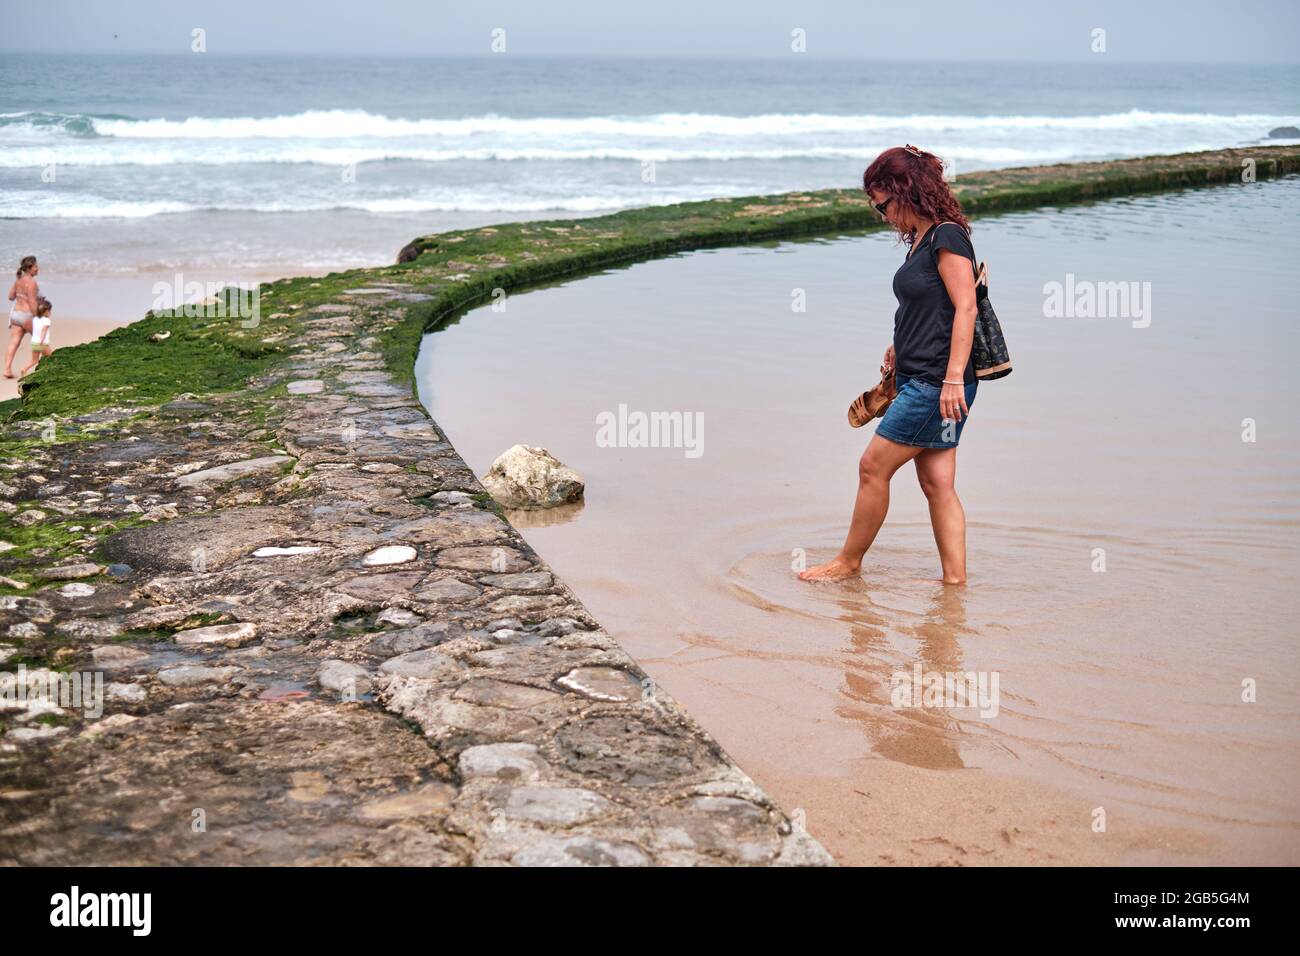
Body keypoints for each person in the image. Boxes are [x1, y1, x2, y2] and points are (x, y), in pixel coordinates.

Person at [800, 145, 980, 586]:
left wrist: (953, 379)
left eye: (882, 205)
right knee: (938, 484)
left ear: (907, 191)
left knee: (872, 467)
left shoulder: (947, 236)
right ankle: (955, 583)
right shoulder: (922, 239)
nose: (880, 215)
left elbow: (966, 308)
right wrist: (899, 346)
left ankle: (848, 562)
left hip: (936, 384)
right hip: (924, 375)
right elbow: (928, 306)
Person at [5, 255, 40, 379]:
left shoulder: (18, 280)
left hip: (15, 315)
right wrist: (38, 316)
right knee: (40, 339)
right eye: (36, 266)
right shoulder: (31, 282)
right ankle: (40, 364)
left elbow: (10, 296)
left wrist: (21, 296)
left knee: (14, 342)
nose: (37, 268)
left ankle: (7, 369)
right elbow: (31, 301)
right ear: (30, 268)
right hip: (26, 315)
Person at [19, 297, 53, 377]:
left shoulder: (35, 319)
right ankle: (48, 372)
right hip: (42, 343)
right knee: (51, 357)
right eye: (49, 311)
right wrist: (41, 340)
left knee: (34, 360)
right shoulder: (47, 321)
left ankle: (24, 369)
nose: (50, 313)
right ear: (45, 311)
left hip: (34, 342)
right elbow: (43, 331)